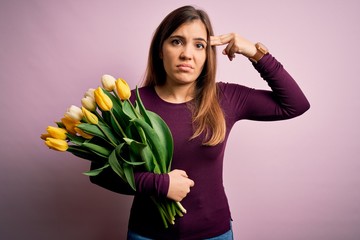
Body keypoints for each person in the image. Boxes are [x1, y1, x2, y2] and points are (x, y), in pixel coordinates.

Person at [90, 5, 310, 240]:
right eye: (176, 42)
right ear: (160, 50)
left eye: (199, 45)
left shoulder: (225, 98)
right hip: (148, 234)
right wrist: (158, 184)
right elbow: (100, 172)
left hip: (214, 234)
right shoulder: (129, 103)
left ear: (207, 56)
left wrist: (254, 53)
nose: (187, 54)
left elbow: (295, 104)